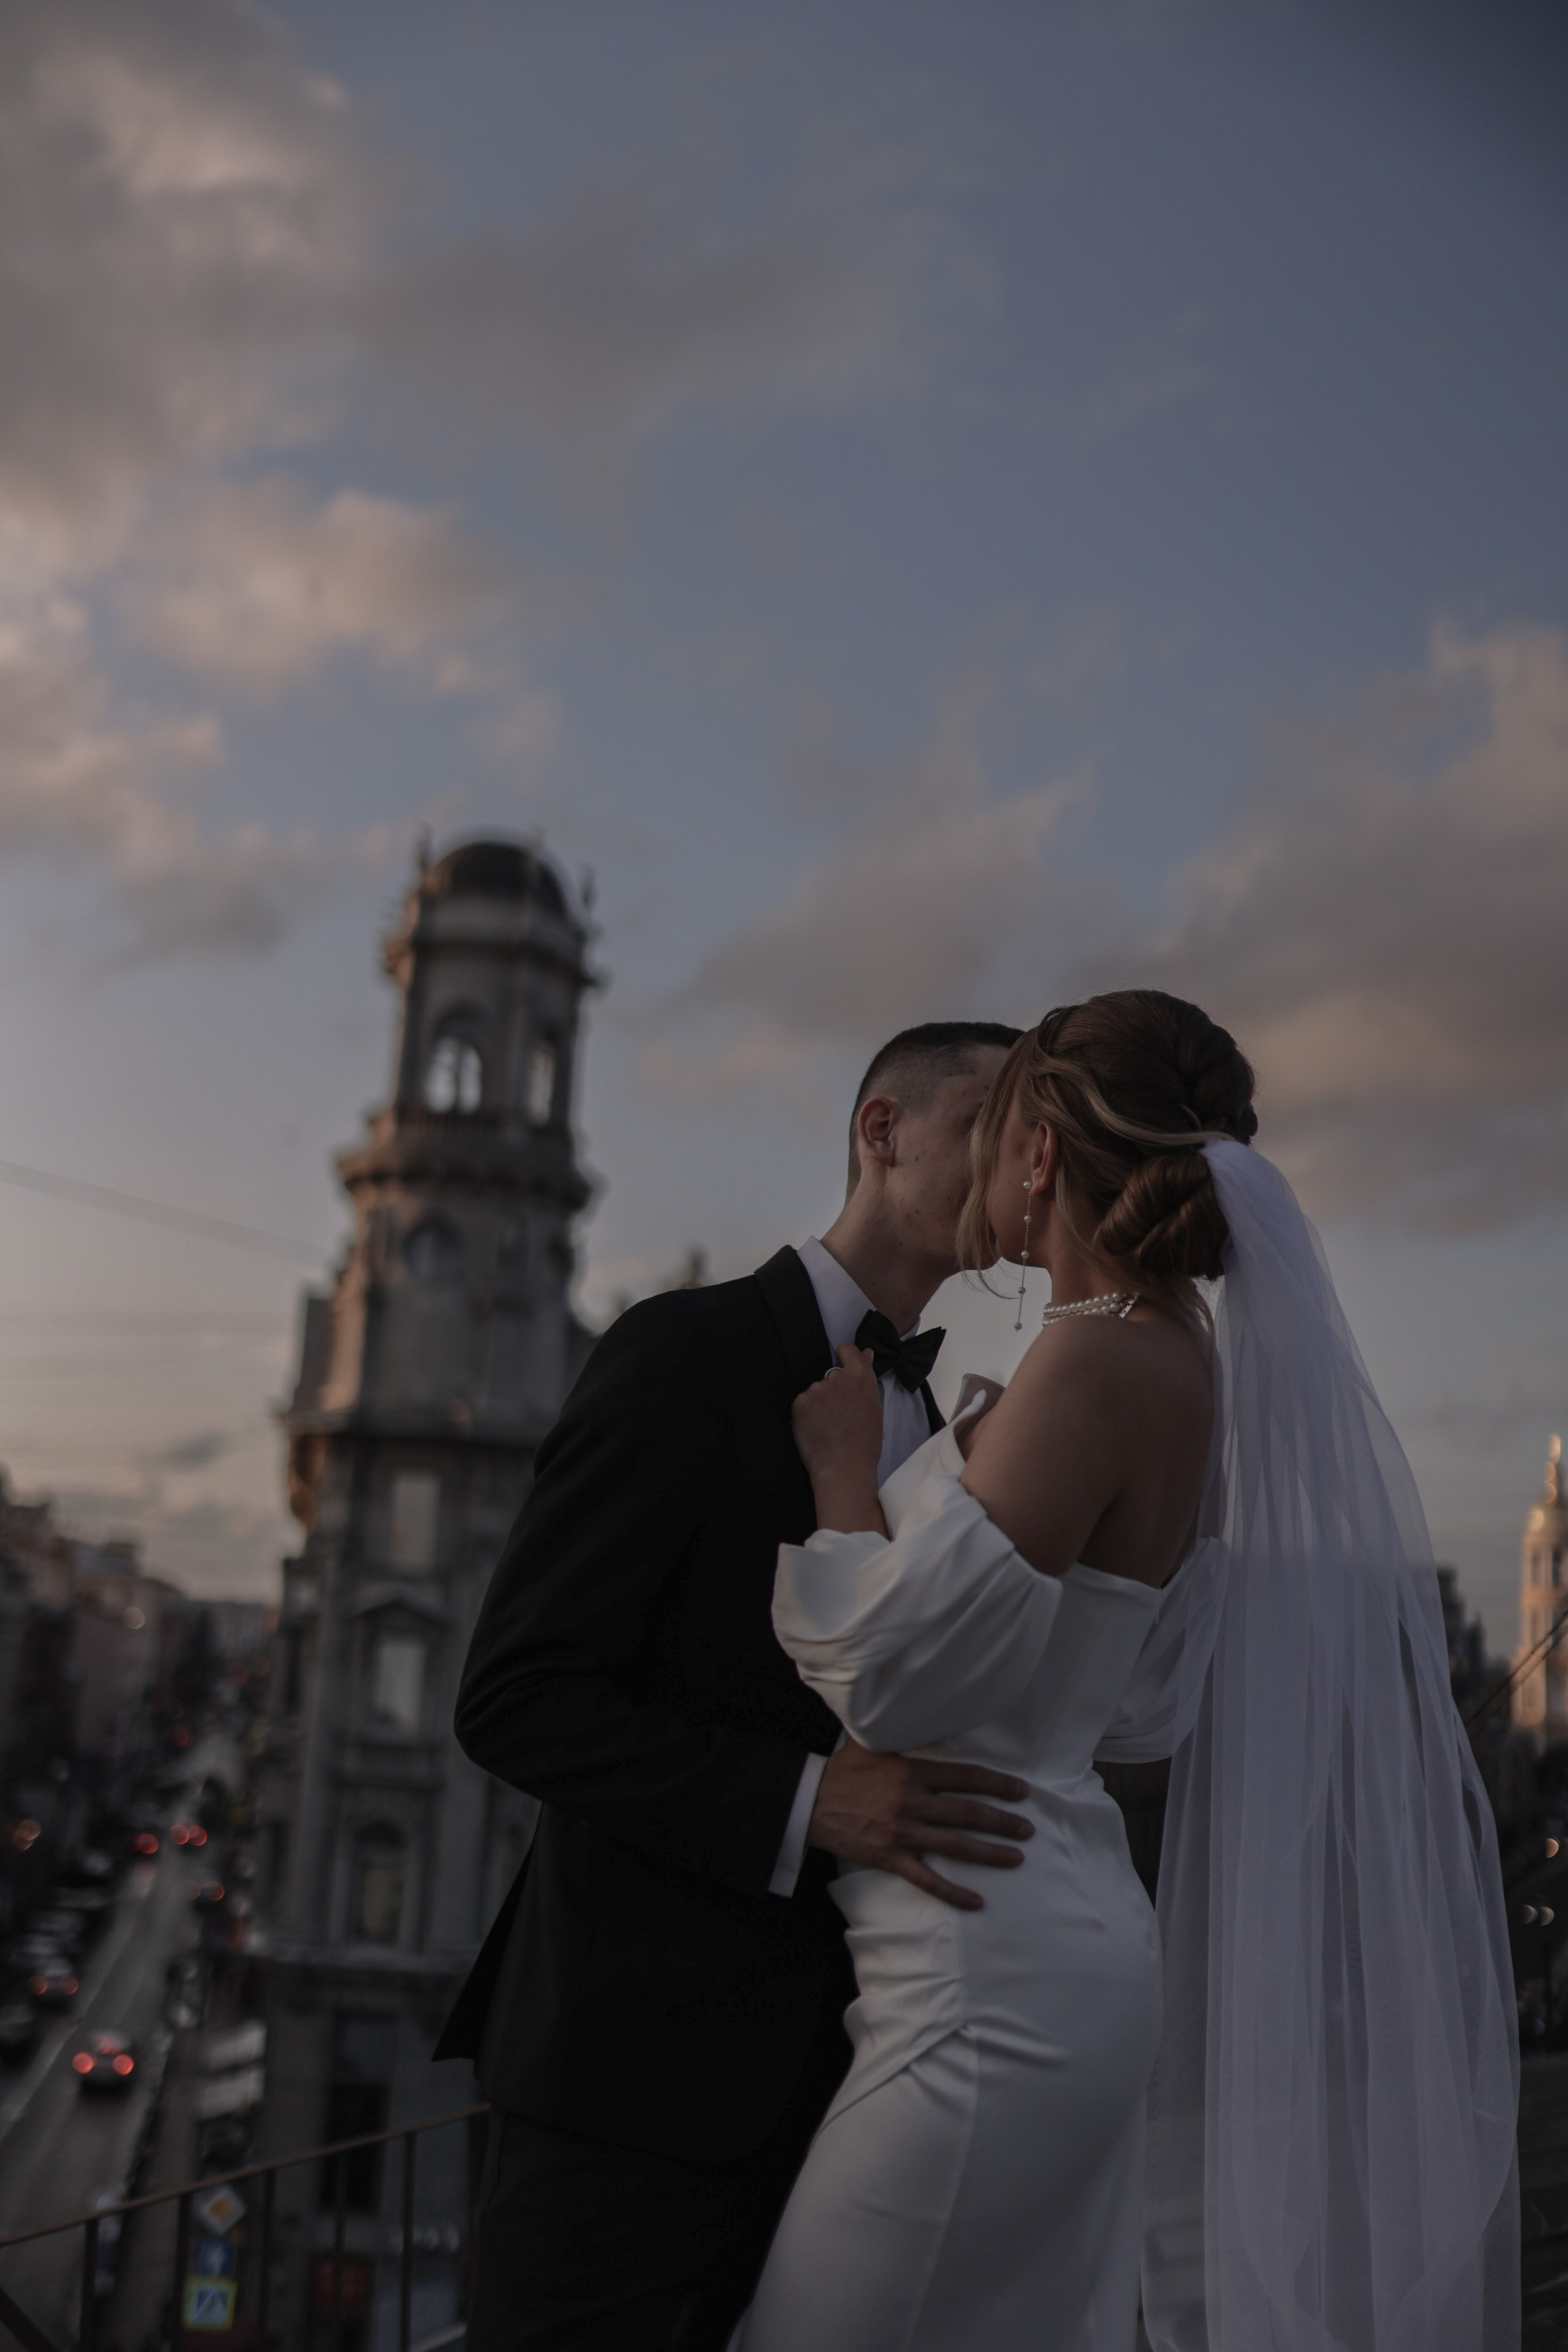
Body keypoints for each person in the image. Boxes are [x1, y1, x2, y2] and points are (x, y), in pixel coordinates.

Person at [733, 990, 1517, 2352]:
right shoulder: (1178, 1358)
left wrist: (848, 1478)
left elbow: (891, 1678)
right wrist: (975, 1478)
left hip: (982, 1973)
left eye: (996, 1127)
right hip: (1057, 1936)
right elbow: (1140, 1704)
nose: (980, 1166)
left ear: (1040, 1154)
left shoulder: (1087, 1353)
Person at [439, 1020, 1023, 2351]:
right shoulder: (682, 1350)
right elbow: (514, 1693)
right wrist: (812, 1802)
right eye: (991, 1121)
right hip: (626, 2082)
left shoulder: (935, 1420)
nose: (1021, 1164)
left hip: (842, 2085)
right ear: (881, 1133)